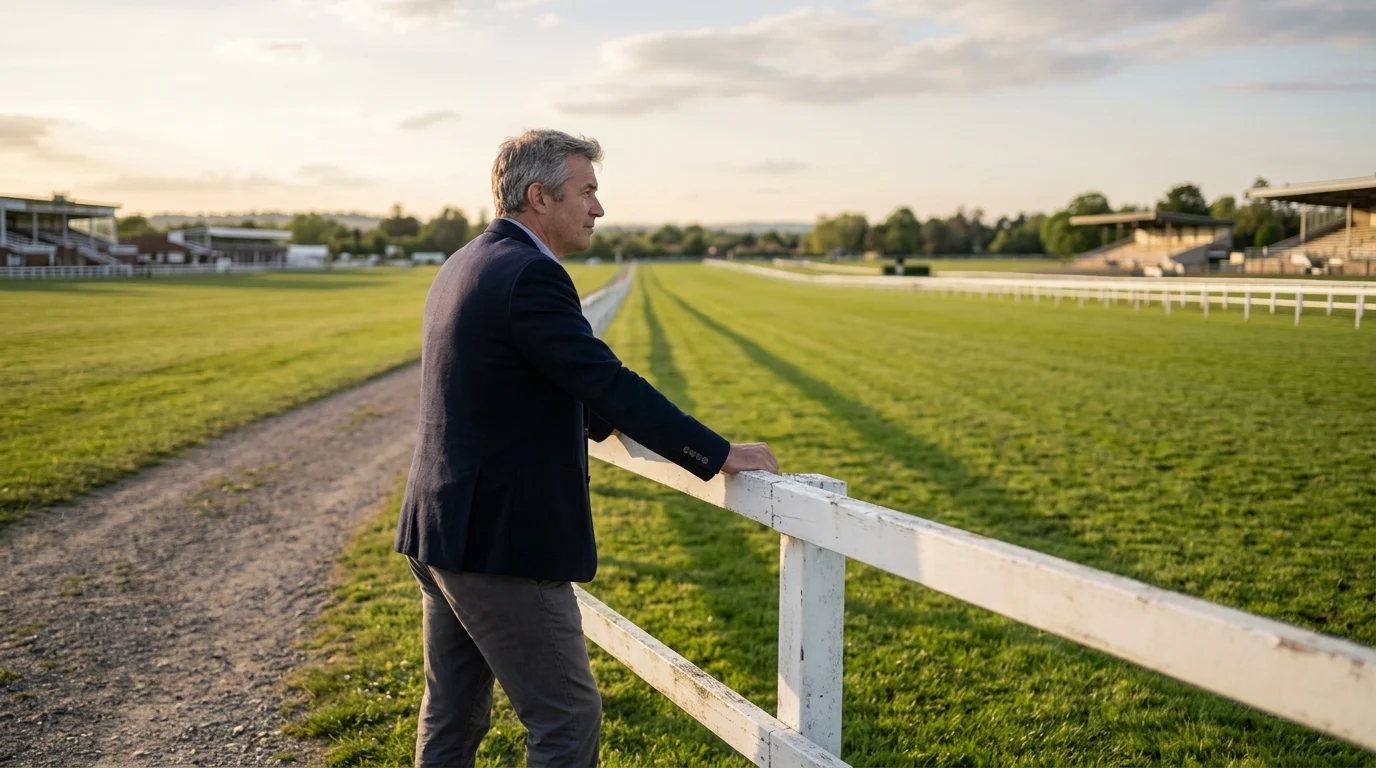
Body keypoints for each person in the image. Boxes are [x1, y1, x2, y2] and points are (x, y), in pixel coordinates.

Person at [394, 129, 779, 768]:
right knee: (566, 717)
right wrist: (716, 453)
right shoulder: (530, 274)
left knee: (453, 717)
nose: (598, 208)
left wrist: (602, 422)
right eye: (589, 191)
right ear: (540, 197)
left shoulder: (467, 260)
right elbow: (604, 379)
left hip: (440, 530)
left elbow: (554, 373)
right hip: (499, 546)